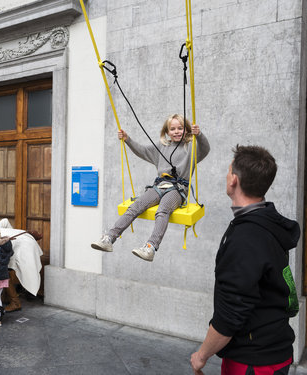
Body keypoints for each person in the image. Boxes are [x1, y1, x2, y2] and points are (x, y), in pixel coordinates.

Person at [190, 145, 300, 375]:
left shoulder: (246, 238)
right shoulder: (267, 223)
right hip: (276, 350)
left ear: (234, 181)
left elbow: (230, 314)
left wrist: (201, 356)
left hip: (254, 361)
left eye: (229, 171)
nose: (227, 176)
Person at [91, 114, 210, 261]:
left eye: (180, 128)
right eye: (172, 129)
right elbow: (142, 150)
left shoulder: (190, 148)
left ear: (187, 130)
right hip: (159, 186)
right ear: (167, 132)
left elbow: (205, 149)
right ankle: (109, 238)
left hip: (178, 190)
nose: (177, 131)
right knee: (136, 206)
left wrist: (199, 135)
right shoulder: (162, 147)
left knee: (163, 210)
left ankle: (151, 247)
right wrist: (127, 140)